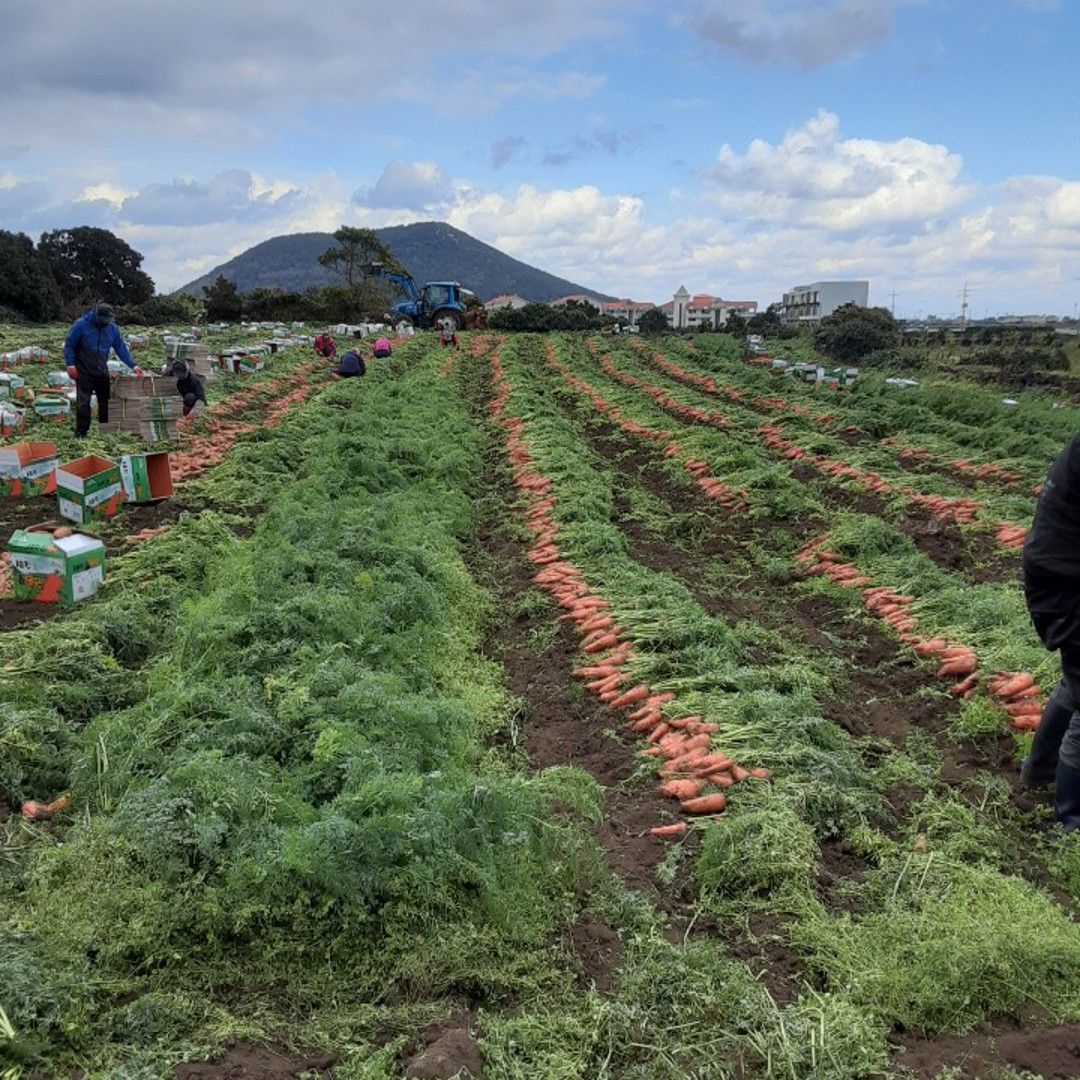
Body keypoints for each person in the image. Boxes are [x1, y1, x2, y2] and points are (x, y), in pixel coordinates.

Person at [1020, 433, 1080, 830]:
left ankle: (1039, 769)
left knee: (1078, 677)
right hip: (1064, 580)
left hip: (1056, 571)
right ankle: (1072, 821)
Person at [64, 302, 144, 436]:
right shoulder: (81, 325)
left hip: (101, 369)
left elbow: (121, 348)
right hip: (83, 370)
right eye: (103, 320)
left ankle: (106, 431)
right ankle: (81, 433)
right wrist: (70, 364)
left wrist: (134, 365)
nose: (105, 323)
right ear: (97, 315)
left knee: (105, 402)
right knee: (83, 403)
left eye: (108, 320)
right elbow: (69, 345)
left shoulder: (112, 329)